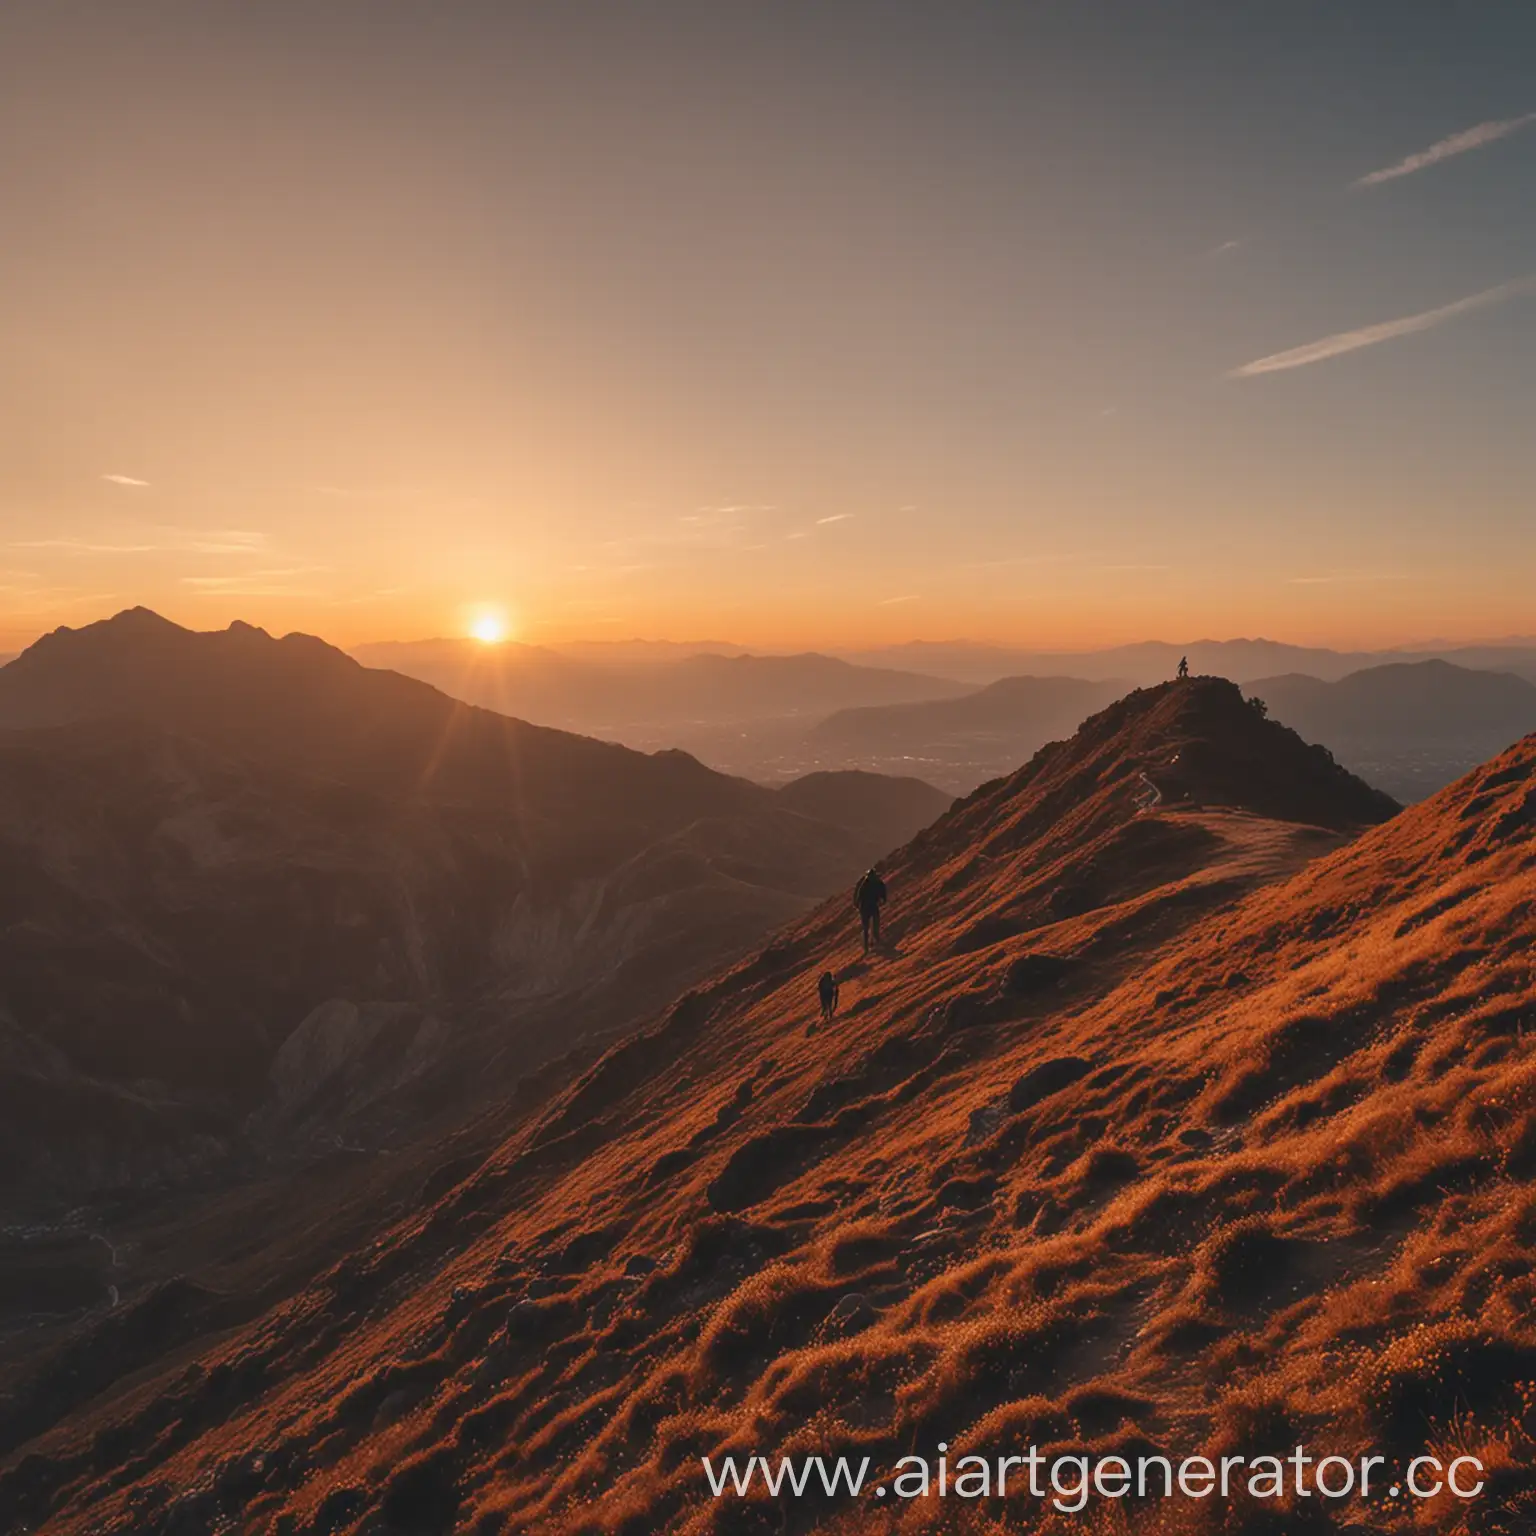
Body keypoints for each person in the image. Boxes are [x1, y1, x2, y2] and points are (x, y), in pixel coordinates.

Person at [853, 866, 887, 952]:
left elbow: (859, 896)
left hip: (866, 907)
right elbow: (883, 894)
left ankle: (869, 946)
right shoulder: (876, 883)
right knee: (872, 925)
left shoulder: (866, 883)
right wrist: (883, 900)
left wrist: (857, 905)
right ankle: (872, 944)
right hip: (869, 906)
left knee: (868, 927)